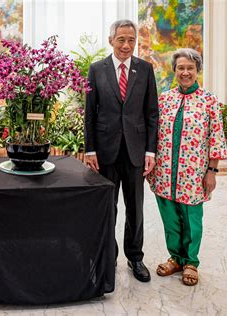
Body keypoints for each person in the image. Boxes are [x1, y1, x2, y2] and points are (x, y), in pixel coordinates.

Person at [84, 19, 159, 282]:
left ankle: (135, 258)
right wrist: (90, 149)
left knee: (135, 209)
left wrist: (151, 152)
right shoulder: (96, 69)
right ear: (111, 40)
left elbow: (152, 114)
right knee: (108, 207)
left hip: (137, 152)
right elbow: (89, 114)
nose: (126, 45)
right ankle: (108, 256)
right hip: (105, 152)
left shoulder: (145, 70)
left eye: (131, 40)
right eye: (121, 40)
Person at [147, 48, 227, 286]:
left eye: (190, 68)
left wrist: (212, 172)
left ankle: (191, 261)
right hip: (164, 172)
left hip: (193, 174)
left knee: (192, 218)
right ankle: (175, 258)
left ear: (197, 71)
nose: (185, 72)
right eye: (180, 68)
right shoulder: (165, 99)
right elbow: (154, 133)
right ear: (174, 70)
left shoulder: (208, 101)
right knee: (170, 218)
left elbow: (216, 138)